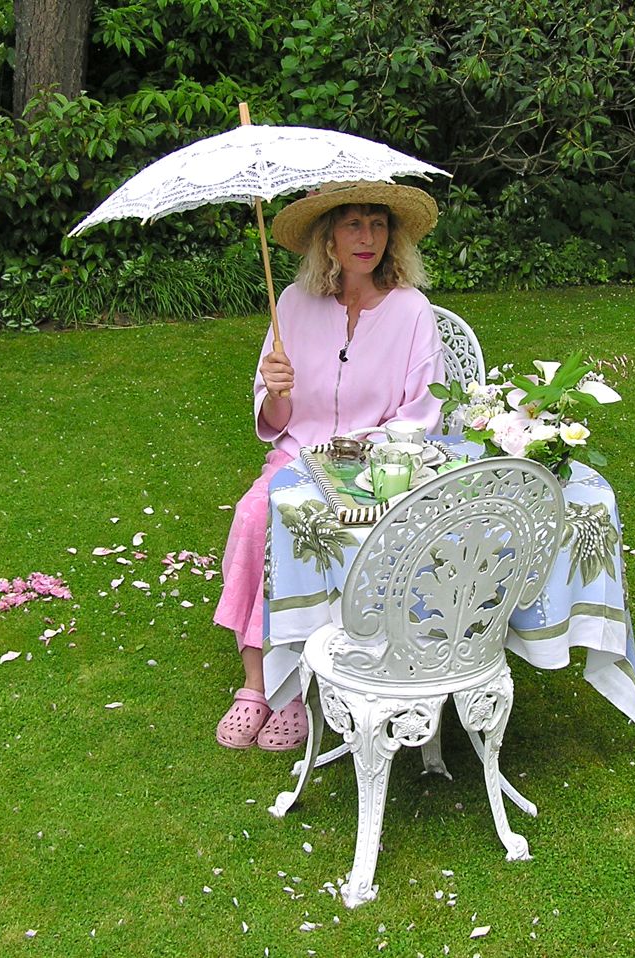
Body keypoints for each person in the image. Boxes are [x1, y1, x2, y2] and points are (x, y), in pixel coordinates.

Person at [213, 180, 446, 750]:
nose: (367, 238)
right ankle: (260, 684)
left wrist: (357, 459)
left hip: (377, 469)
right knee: (256, 516)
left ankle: (303, 679)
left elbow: (422, 410)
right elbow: (277, 418)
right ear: (329, 240)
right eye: (353, 224)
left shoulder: (412, 311)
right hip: (297, 458)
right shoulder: (293, 305)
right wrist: (275, 391)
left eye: (378, 224)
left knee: (321, 528)